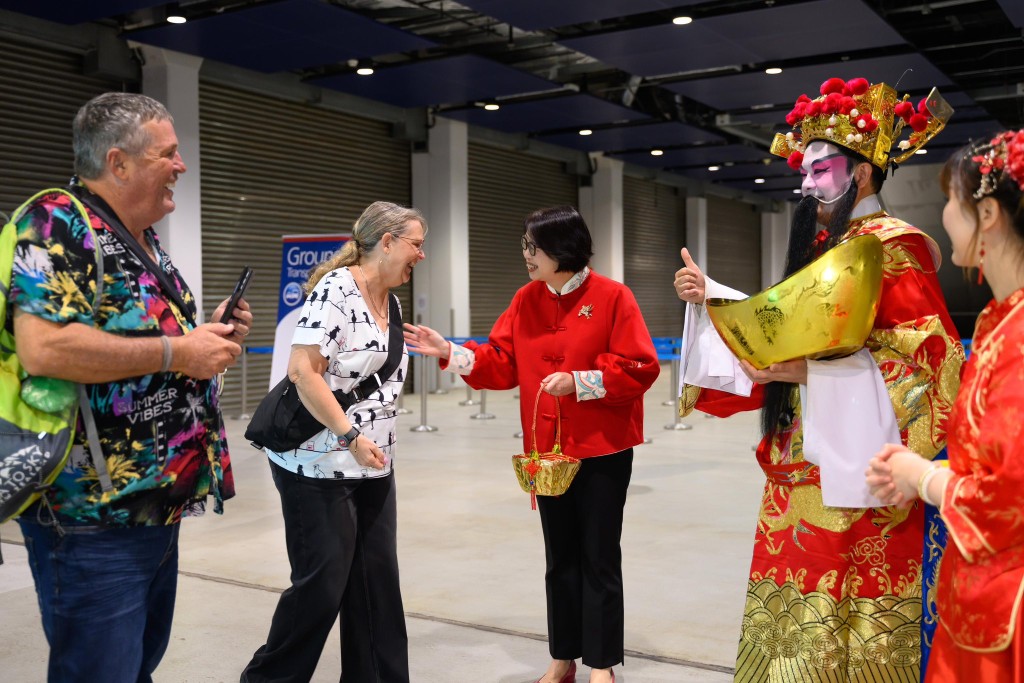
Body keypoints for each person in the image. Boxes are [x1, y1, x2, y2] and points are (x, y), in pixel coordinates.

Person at [673, 77, 964, 682]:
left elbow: (932, 365)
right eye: (804, 172)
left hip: (861, 475)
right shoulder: (832, 248)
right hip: (799, 466)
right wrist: (716, 299)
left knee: (849, 624)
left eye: (821, 171)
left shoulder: (893, 249)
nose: (806, 185)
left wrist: (812, 373)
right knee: (792, 619)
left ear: (860, 174)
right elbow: (784, 324)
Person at [11, 92, 252, 683]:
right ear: (118, 163)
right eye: (169, 154)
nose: (181, 165)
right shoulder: (56, 221)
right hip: (92, 512)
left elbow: (142, 341)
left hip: (152, 502)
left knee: (136, 665)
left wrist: (204, 336)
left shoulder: (139, 236)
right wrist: (179, 349)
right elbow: (43, 346)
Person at [405, 205, 658, 683]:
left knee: (600, 556)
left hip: (602, 449)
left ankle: (601, 663)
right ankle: (563, 657)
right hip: (546, 453)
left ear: (562, 248)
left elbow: (641, 366)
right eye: (525, 245)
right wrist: (452, 353)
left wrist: (581, 382)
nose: (525, 254)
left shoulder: (613, 297)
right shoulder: (525, 299)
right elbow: (501, 361)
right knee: (558, 557)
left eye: (532, 246)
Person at [241, 201, 426, 683]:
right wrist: (350, 436)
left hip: (374, 465)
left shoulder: (392, 300)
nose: (420, 256)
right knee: (321, 587)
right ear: (386, 242)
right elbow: (303, 371)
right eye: (416, 244)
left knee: (376, 584)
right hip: (317, 464)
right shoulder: (337, 290)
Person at [866, 130, 1024, 682]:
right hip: (974, 584)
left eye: (951, 203)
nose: (944, 215)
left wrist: (922, 475)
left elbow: (1009, 498)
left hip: (1008, 605)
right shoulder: (996, 320)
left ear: (987, 213)